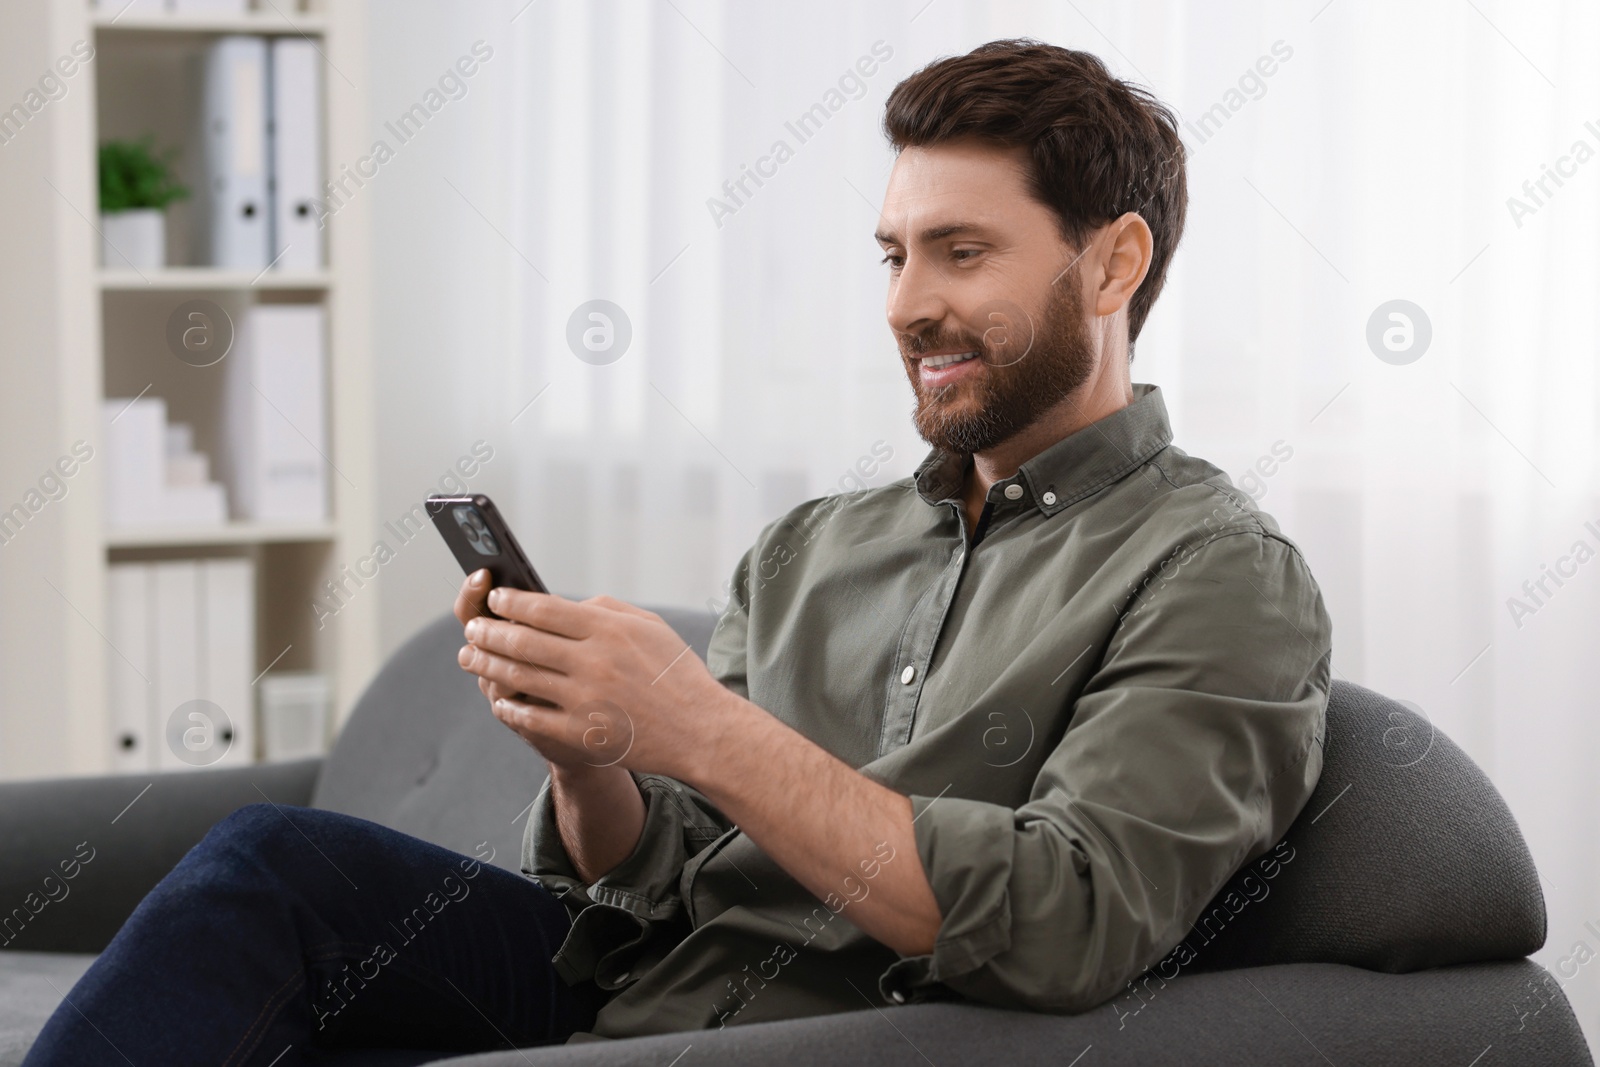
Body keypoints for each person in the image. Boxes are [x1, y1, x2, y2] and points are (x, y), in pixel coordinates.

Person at [25, 38, 1329, 1065]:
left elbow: (1070, 922)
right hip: (637, 986)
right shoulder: (818, 546)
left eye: (962, 251)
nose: (906, 304)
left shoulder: (1212, 574)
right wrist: (599, 766)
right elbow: (657, 877)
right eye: (892, 255)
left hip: (827, 1028)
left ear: (1114, 267)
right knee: (273, 867)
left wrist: (699, 727)